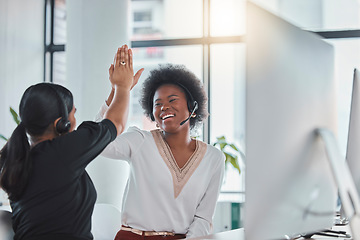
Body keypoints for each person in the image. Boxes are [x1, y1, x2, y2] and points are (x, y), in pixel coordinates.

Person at [0, 45, 143, 240]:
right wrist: (123, 87)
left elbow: (98, 129)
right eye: (73, 113)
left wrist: (117, 91)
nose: (76, 120)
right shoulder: (60, 153)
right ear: (62, 124)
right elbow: (115, 124)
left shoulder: (18, 158)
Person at [96, 64, 225, 239]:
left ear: (192, 108)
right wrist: (117, 92)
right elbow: (99, 143)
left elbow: (203, 218)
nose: (164, 107)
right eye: (158, 104)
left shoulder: (214, 158)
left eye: (172, 100)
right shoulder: (140, 141)